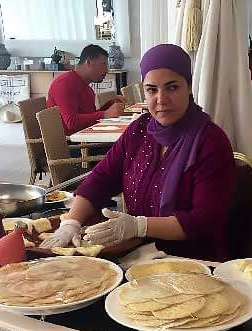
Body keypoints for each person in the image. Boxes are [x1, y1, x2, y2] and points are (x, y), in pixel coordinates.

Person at [41, 44, 236, 262]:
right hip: (137, 254)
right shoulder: (139, 130)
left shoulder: (211, 141)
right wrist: (71, 222)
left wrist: (139, 226)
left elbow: (203, 220)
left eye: (172, 88)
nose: (161, 100)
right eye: (152, 90)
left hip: (193, 260)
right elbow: (101, 178)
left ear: (189, 87)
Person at [46, 44, 126, 135]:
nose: (106, 70)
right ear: (88, 63)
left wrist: (109, 105)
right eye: (103, 64)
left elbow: (88, 118)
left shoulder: (88, 88)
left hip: (87, 136)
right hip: (72, 144)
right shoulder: (64, 83)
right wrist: (105, 114)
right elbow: (71, 122)